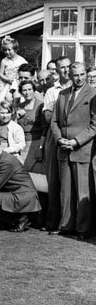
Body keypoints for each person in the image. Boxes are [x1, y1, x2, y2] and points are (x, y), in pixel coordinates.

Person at [50, 61, 96, 239]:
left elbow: (94, 125)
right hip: (63, 148)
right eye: (75, 75)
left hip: (82, 149)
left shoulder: (93, 94)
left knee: (83, 191)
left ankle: (82, 229)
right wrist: (59, 138)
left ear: (86, 74)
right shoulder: (62, 94)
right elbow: (54, 121)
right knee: (65, 191)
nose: (79, 78)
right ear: (69, 75)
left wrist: (76, 141)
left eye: (82, 74)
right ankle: (66, 225)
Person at [41, 56, 72, 231]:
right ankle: (52, 221)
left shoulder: (81, 89)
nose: (66, 70)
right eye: (62, 68)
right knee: (54, 181)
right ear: (57, 71)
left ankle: (69, 222)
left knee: (70, 181)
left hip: (73, 137)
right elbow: (48, 117)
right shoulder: (52, 91)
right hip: (55, 137)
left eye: (68, 67)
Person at [16, 80, 48, 172]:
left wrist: (40, 148)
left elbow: (45, 129)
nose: (27, 92)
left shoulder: (41, 105)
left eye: (29, 89)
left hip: (36, 143)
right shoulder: (19, 106)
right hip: (22, 144)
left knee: (36, 174)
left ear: (34, 90)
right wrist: (16, 117)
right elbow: (14, 127)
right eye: (24, 90)